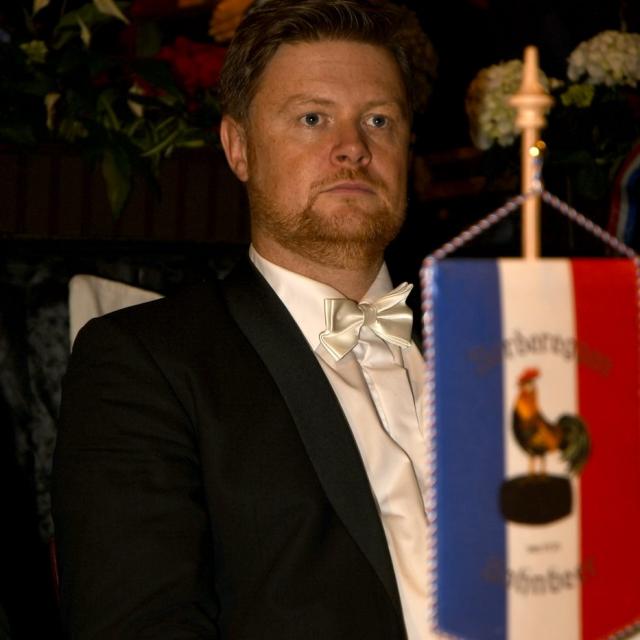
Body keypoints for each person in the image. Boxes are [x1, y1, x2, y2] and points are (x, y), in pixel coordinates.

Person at [52, 1, 434, 637]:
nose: (353, 149)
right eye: (313, 118)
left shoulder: (496, 343)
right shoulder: (146, 362)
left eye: (378, 119)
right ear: (238, 148)